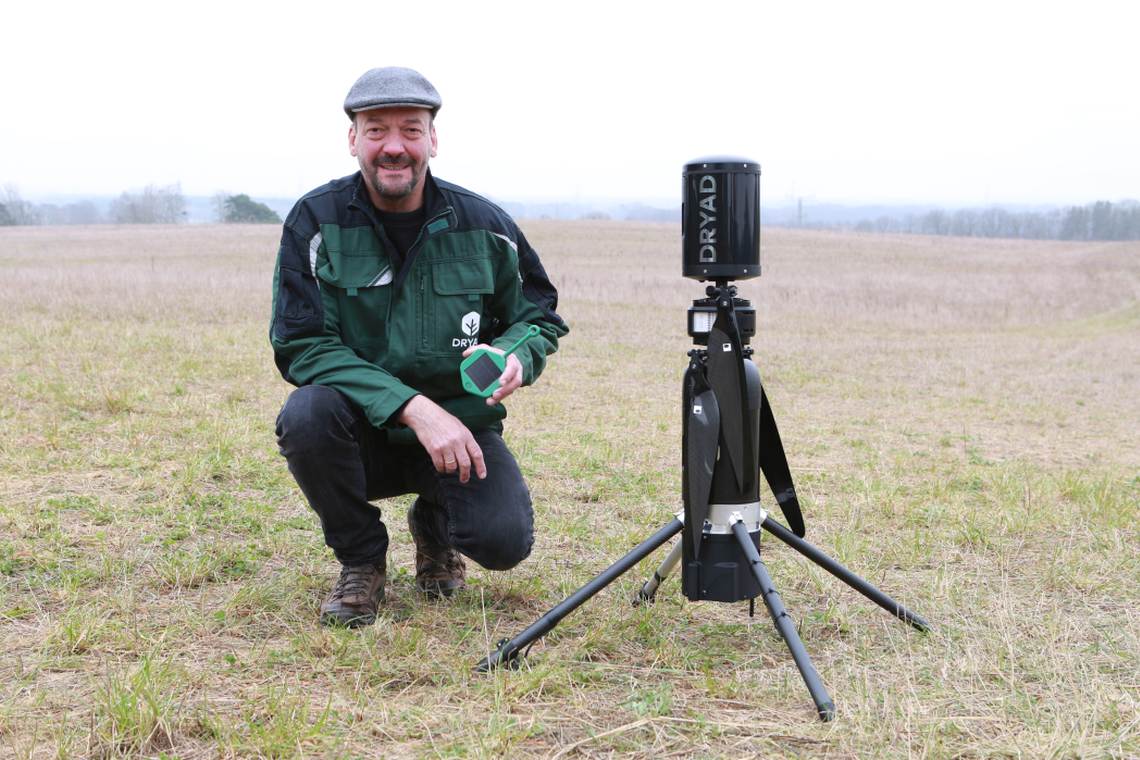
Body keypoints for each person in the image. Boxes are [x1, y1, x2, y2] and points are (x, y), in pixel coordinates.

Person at [270, 67, 568, 627]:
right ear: (353, 139)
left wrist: (515, 355)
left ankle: (436, 528)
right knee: (306, 414)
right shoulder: (316, 221)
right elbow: (301, 343)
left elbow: (538, 317)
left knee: (504, 543)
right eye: (376, 129)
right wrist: (413, 407)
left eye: (411, 129)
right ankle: (362, 560)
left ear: (433, 138)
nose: (394, 147)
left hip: (459, 434)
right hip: (359, 433)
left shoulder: (485, 225)